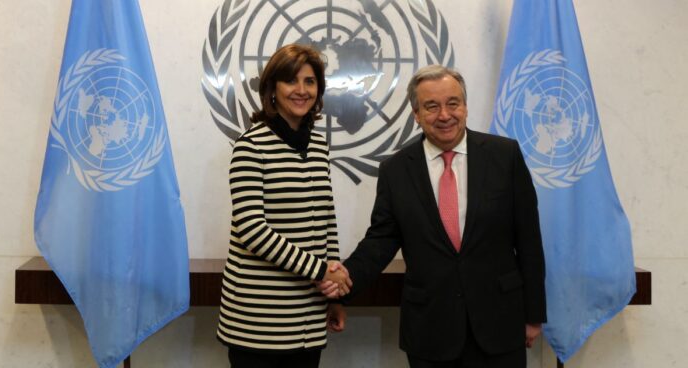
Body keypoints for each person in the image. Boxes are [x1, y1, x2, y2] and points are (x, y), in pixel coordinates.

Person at [321, 65, 546, 367]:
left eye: (453, 103)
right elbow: (380, 242)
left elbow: (529, 240)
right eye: (431, 106)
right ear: (416, 114)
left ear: (465, 107)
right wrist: (343, 284)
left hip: (500, 325)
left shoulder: (505, 156)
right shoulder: (396, 170)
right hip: (431, 330)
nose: (444, 115)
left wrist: (533, 315)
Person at [217, 44, 351, 368]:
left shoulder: (318, 144)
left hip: (308, 319)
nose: (301, 91)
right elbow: (253, 231)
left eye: (310, 82)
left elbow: (326, 218)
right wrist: (322, 271)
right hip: (259, 324)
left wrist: (333, 292)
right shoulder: (250, 146)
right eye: (291, 81)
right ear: (272, 89)